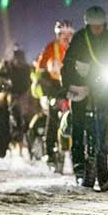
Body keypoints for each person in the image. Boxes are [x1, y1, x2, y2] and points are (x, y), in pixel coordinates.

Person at [61, 6, 108, 180]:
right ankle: (79, 163)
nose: (97, 29)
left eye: (100, 26)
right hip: (81, 84)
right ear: (88, 25)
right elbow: (68, 63)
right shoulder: (79, 38)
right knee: (78, 122)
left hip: (104, 83)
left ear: (105, 24)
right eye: (93, 26)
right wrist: (68, 85)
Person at [33, 19, 74, 164]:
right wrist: (45, 88)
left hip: (72, 85)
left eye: (69, 34)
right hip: (54, 87)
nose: (67, 37)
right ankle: (50, 151)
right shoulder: (51, 48)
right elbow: (40, 69)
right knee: (53, 116)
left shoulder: (76, 47)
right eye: (63, 34)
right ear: (58, 35)